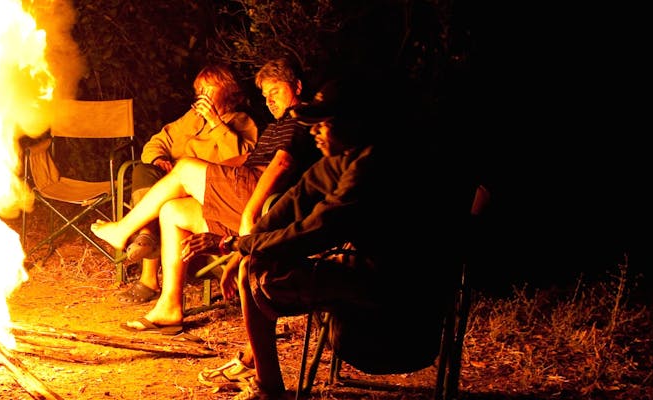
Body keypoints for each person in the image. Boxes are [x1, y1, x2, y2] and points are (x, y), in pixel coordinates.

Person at [179, 80, 462, 399]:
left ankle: (269, 388)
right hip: (367, 274)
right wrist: (240, 253)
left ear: (353, 124)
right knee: (251, 267)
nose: (314, 133)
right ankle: (267, 383)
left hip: (399, 299)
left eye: (324, 124)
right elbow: (291, 205)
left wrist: (232, 244)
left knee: (262, 275)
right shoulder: (341, 161)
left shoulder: (373, 165)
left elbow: (315, 230)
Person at [90, 57, 321, 334]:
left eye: (276, 92)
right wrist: (202, 173)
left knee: (186, 167)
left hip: (263, 203)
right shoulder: (276, 125)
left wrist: (251, 216)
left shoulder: (301, 119)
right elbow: (246, 158)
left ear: (297, 86)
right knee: (172, 211)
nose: (269, 101)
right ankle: (169, 307)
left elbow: (280, 166)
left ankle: (123, 229)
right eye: (265, 95)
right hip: (245, 193)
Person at [115, 64, 259, 304]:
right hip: (173, 184)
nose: (202, 93)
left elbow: (243, 160)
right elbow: (156, 142)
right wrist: (159, 159)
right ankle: (147, 238)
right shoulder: (191, 119)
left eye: (208, 88)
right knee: (144, 170)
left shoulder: (242, 121)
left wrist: (215, 123)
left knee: (165, 202)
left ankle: (148, 274)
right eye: (198, 89)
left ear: (228, 91)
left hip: (206, 192)